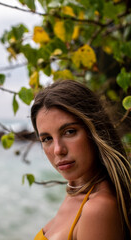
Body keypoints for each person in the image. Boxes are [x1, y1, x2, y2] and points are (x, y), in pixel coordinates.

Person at [31, 80, 131, 240]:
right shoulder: (76, 188)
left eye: (69, 132)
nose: (58, 150)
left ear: (95, 130)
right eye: (47, 138)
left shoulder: (98, 209)